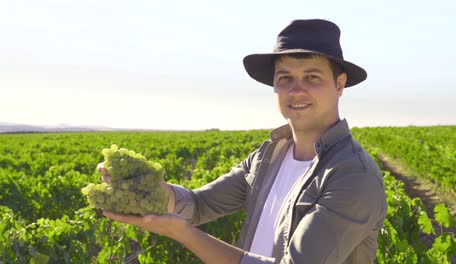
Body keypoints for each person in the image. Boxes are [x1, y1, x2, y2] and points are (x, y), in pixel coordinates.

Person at [100, 19, 388, 263]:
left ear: (339, 85)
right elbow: (198, 205)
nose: (296, 90)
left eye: (312, 77)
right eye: (285, 77)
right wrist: (150, 190)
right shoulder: (268, 157)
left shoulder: (352, 175)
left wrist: (182, 233)